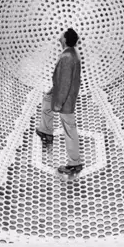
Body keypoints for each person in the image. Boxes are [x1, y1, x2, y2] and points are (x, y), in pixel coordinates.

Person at [36, 28, 83, 175]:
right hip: (62, 94)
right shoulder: (70, 53)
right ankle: (46, 131)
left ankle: (74, 163)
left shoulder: (67, 57)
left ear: (64, 38)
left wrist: (58, 103)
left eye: (61, 33)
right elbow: (62, 80)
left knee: (69, 129)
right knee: (46, 102)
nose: (59, 34)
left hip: (65, 99)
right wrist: (52, 91)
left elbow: (65, 83)